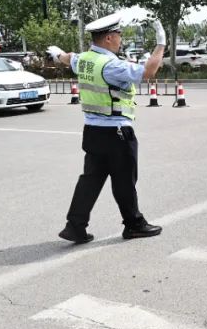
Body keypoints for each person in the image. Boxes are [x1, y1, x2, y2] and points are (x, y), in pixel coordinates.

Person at [47, 14, 165, 244]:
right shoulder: (112, 65)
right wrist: (161, 43)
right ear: (109, 38)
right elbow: (149, 71)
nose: (121, 39)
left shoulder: (85, 60)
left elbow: (68, 58)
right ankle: (134, 225)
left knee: (90, 180)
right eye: (119, 35)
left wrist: (57, 54)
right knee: (124, 181)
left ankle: (75, 226)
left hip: (92, 132)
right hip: (117, 132)